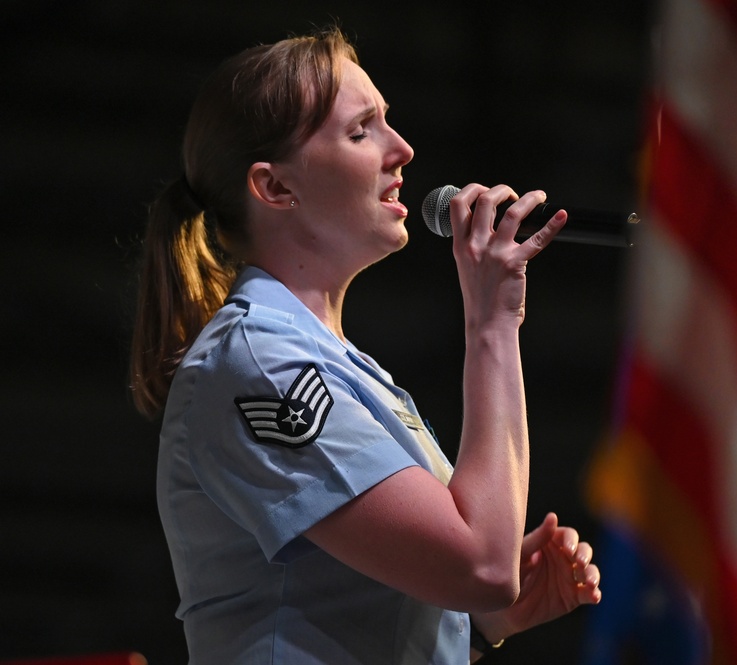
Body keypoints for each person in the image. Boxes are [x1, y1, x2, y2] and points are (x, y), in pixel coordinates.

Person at [130, 25, 602, 664]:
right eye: (361, 131)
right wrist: (492, 324)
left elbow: (467, 578)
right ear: (275, 188)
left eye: (388, 123)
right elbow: (484, 566)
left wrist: (482, 618)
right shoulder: (261, 365)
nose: (402, 150)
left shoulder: (344, 369)